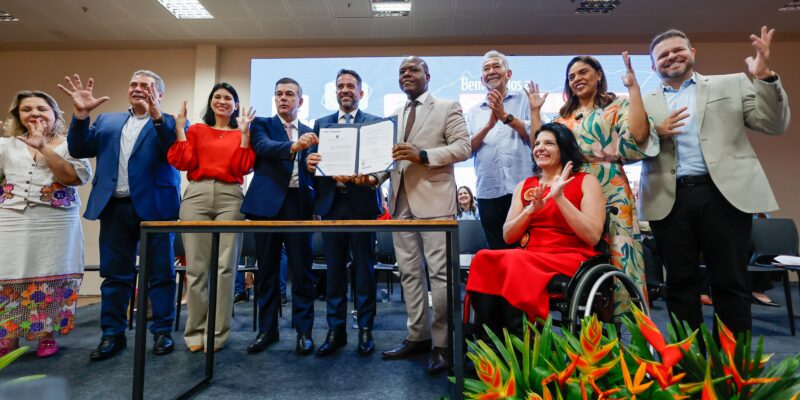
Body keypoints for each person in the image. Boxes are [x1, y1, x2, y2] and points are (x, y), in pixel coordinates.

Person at [640, 27, 790, 336]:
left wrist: (765, 78)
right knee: (680, 285)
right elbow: (629, 146)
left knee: (731, 282)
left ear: (692, 53)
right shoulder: (642, 101)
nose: (671, 57)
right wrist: (656, 132)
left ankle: (733, 368)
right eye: (662, 55)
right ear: (653, 66)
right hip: (669, 199)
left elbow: (773, 124)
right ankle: (688, 367)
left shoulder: (731, 83)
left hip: (723, 196)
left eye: (677, 50)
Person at [60, 71, 182, 361]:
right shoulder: (107, 121)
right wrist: (80, 116)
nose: (138, 89)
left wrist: (155, 116)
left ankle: (162, 332)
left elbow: (174, 151)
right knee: (115, 276)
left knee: (161, 274)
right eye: (134, 85)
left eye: (146, 86)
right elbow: (78, 149)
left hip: (156, 208)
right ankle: (112, 335)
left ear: (160, 94)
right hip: (114, 208)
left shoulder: (172, 123)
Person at [528, 53, 658, 315]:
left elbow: (640, 135)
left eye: (583, 72)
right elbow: (540, 143)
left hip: (611, 186)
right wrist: (534, 112)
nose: (577, 79)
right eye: (571, 76)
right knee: (583, 249)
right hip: (576, 186)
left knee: (621, 251)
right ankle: (587, 321)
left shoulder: (617, 106)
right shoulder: (563, 117)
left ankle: (628, 325)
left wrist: (633, 89)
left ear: (599, 75)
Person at [372, 56, 471, 374]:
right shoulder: (393, 117)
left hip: (436, 204)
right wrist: (369, 178)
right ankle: (418, 336)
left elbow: (462, 147)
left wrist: (424, 155)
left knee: (441, 277)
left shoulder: (447, 106)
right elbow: (389, 162)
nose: (406, 74)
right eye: (401, 71)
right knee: (410, 275)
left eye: (413, 69)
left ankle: (443, 344)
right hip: (400, 206)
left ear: (427, 75)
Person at [466, 122, 604, 333]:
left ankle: (522, 343)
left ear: (563, 148)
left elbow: (593, 236)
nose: (540, 148)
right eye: (537, 143)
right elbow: (508, 236)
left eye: (549, 143)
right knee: (483, 258)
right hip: (530, 256)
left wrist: (559, 198)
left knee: (516, 261)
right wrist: (530, 210)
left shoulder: (586, 181)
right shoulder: (525, 186)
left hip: (570, 257)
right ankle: (490, 342)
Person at [0, 91, 92, 357]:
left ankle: (45, 334)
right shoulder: (7, 145)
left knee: (51, 271)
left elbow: (74, 178)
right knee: (10, 273)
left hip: (55, 220)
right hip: (11, 219)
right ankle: (9, 335)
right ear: (18, 115)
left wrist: (43, 147)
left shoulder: (71, 144)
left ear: (54, 114)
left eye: (42, 108)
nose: (34, 114)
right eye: (27, 109)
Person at [167, 83, 255, 353]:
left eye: (228, 97)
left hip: (231, 196)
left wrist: (243, 135)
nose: (222, 101)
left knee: (225, 268)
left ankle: (217, 333)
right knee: (196, 269)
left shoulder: (241, 133)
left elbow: (244, 166)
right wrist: (180, 129)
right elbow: (183, 161)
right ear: (211, 102)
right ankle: (194, 330)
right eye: (217, 97)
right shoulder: (196, 130)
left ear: (236, 105)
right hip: (197, 195)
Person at [305, 69, 382, 356]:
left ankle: (365, 329)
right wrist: (309, 163)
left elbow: (381, 165)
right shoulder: (321, 124)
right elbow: (312, 167)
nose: (345, 90)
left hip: (362, 204)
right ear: (335, 92)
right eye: (340, 86)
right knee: (334, 272)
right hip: (332, 205)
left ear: (361, 92)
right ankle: (336, 330)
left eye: (351, 86)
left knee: (365, 271)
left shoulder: (374, 124)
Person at [240, 77, 318, 355]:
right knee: (268, 272)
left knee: (302, 272)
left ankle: (304, 332)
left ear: (301, 100)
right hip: (266, 207)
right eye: (278, 94)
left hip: (299, 205)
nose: (283, 98)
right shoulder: (262, 125)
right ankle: (267, 330)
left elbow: (317, 171)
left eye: (289, 94)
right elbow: (262, 147)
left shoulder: (312, 132)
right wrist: (294, 147)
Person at [465, 50, 531, 248]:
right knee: (497, 251)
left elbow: (537, 138)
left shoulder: (524, 100)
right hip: (489, 191)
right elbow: (466, 150)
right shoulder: (474, 112)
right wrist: (488, 126)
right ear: (482, 79)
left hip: (523, 189)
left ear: (508, 74)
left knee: (525, 250)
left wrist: (505, 117)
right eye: (486, 69)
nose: (491, 71)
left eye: (496, 67)